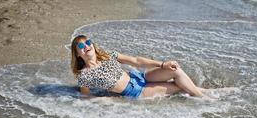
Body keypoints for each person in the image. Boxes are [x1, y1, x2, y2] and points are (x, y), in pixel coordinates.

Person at [71, 34, 214, 99]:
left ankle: (204, 95)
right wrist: (106, 100)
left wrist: (163, 64)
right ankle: (207, 97)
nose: (86, 46)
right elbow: (86, 95)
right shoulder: (85, 75)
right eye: (81, 46)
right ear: (78, 54)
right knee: (178, 87)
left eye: (88, 42)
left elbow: (136, 61)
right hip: (135, 91)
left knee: (175, 70)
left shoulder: (109, 55)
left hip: (139, 77)